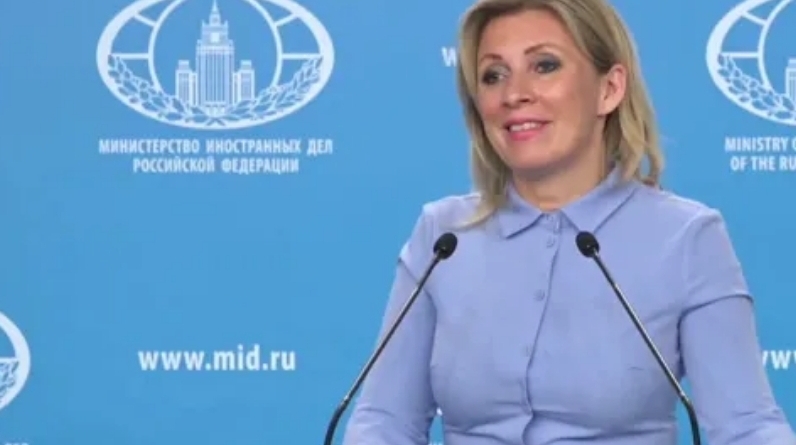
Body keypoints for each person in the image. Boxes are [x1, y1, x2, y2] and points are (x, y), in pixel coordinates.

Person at [341, 0, 796, 444]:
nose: (514, 94)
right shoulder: (443, 235)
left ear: (609, 89)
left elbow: (745, 428)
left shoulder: (687, 237)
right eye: (494, 75)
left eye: (544, 66)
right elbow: (385, 421)